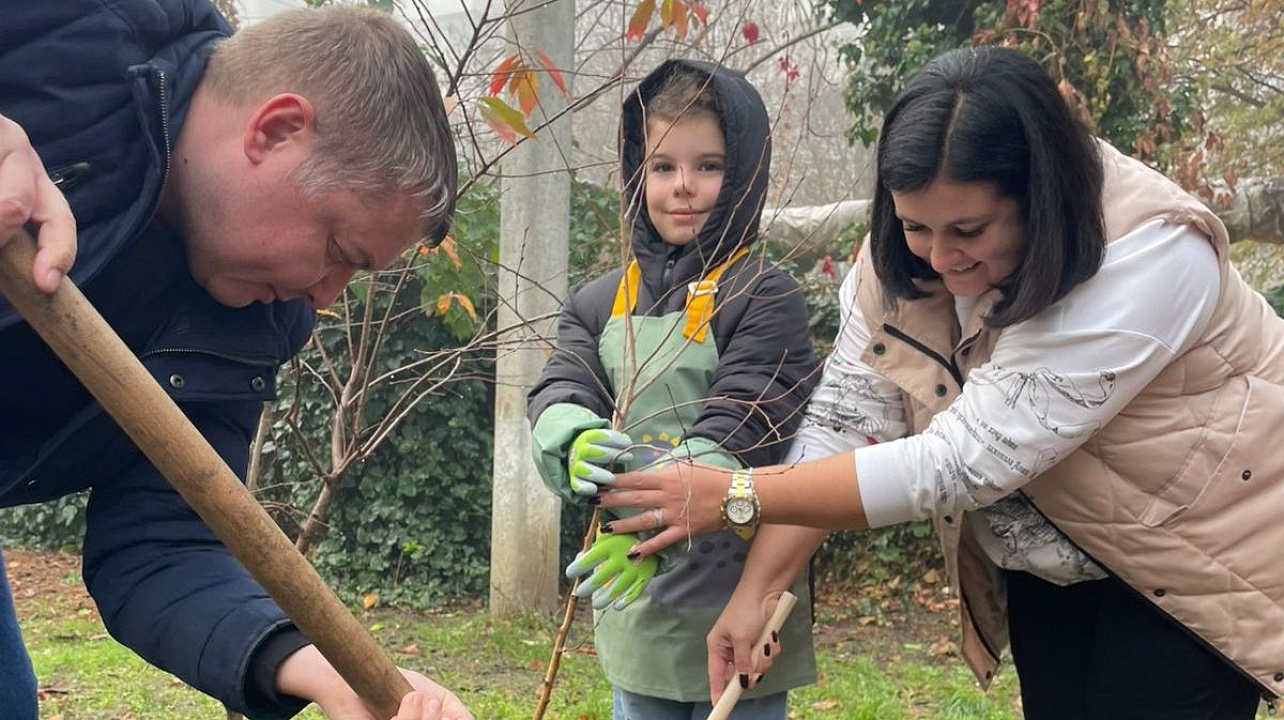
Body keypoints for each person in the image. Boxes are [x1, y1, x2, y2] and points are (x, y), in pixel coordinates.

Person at [596, 46, 1284, 719]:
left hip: (1201, 557)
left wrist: (736, 494)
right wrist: (754, 595)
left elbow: (961, 461)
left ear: (1039, 198)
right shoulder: (900, 259)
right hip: (1058, 556)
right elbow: (843, 424)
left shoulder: (1151, 254)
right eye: (915, 224)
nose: (940, 256)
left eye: (969, 229)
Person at [0, 2, 469, 719]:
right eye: (339, 253)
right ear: (276, 130)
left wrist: (320, 670)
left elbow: (161, 545)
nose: (321, 298)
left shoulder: (252, 320)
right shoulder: (74, 23)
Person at [526, 60, 818, 720]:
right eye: (662, 168)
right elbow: (564, 379)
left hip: (740, 589)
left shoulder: (763, 295)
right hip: (636, 601)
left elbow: (747, 418)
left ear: (742, 172)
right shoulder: (599, 301)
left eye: (708, 166)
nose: (683, 188)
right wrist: (567, 432)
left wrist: (657, 523)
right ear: (637, 175)